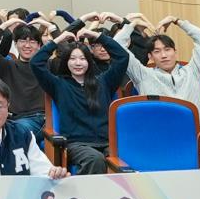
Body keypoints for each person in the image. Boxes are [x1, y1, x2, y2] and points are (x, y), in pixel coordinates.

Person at [30, 30, 132, 173]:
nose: (78, 63)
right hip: (77, 144)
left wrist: (97, 36)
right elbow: (35, 63)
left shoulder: (104, 81)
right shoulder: (58, 84)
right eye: (72, 59)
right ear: (66, 62)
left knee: (128, 156)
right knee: (95, 159)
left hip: (107, 142)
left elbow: (122, 57)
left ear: (89, 61)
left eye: (83, 59)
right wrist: (57, 40)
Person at [121, 16, 200, 107]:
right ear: (150, 56)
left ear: (175, 52)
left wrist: (176, 20)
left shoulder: (193, 72)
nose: (163, 55)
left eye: (167, 49)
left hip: (192, 118)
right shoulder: (142, 75)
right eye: (157, 51)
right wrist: (133, 24)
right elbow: (118, 46)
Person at [0, 20, 50, 135]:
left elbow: (66, 52)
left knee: (15, 131)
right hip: (13, 119)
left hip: (40, 119)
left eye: (32, 41)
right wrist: (4, 25)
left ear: (39, 45)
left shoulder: (47, 66)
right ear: (15, 44)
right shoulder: (7, 66)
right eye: (22, 41)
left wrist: (50, 26)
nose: (27, 45)